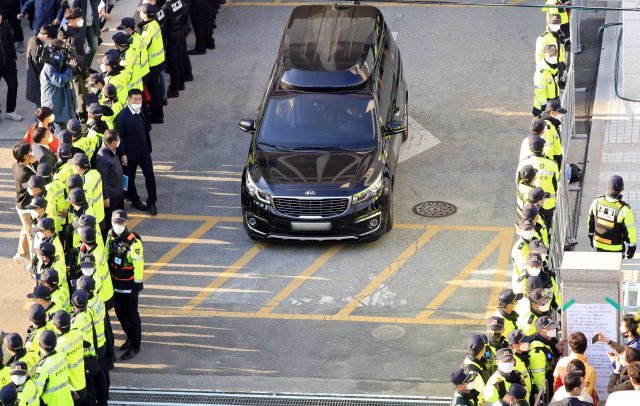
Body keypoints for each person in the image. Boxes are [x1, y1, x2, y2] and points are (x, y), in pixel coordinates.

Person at [106, 209, 144, 360]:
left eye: (121, 222)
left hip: (129, 286)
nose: (118, 225)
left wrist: (137, 284)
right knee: (120, 313)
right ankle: (129, 337)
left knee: (132, 315)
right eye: (115, 222)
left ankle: (136, 345)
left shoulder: (133, 241)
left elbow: (138, 264)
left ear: (126, 223)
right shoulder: (110, 236)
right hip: (115, 284)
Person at [115, 89, 158, 215]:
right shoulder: (122, 117)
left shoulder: (141, 111)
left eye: (140, 99)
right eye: (135, 99)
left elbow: (145, 130)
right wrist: (122, 154)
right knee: (130, 178)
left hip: (144, 152)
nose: (138, 102)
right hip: (130, 154)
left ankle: (152, 202)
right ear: (129, 100)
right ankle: (134, 200)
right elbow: (120, 138)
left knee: (149, 175)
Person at [70, 289, 104, 406]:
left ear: (73, 304)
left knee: (89, 391)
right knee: (94, 386)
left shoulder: (75, 324)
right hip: (93, 355)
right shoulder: (88, 313)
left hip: (86, 359)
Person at [587, 175, 636, 256]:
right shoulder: (624, 209)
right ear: (622, 189)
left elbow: (590, 222)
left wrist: (590, 236)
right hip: (616, 248)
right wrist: (632, 247)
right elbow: (630, 230)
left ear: (608, 187)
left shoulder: (596, 202)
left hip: (597, 245)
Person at [517, 135, 559, 227]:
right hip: (548, 204)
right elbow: (557, 183)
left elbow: (518, 181)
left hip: (528, 213)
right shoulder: (552, 164)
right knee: (546, 226)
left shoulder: (523, 164)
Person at [40, 38, 77, 129]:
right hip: (55, 107)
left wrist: (71, 67)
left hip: (61, 104)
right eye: (62, 51)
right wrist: (69, 69)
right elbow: (60, 81)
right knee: (60, 131)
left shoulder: (58, 64)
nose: (64, 54)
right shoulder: (49, 67)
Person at [138, 3, 165, 123]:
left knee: (154, 91)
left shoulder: (147, 30)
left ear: (145, 14)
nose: (139, 13)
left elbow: (141, 47)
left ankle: (158, 115)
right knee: (157, 89)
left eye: (141, 12)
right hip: (159, 61)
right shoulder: (154, 23)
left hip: (152, 64)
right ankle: (158, 110)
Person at [52, 310, 87, 403]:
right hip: (81, 378)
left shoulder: (58, 345)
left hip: (70, 386)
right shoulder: (78, 333)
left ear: (55, 327)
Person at [58, 7, 87, 117]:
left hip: (65, 67)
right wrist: (86, 74)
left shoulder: (62, 31)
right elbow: (81, 58)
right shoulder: (77, 37)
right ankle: (82, 117)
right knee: (81, 95)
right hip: (76, 70)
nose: (81, 21)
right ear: (71, 20)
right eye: (79, 19)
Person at [11, 142, 37, 266]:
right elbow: (38, 182)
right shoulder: (26, 173)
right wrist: (36, 163)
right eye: (30, 152)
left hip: (21, 204)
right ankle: (33, 262)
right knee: (31, 234)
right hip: (26, 207)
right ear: (27, 156)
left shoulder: (16, 166)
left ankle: (21, 254)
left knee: (25, 229)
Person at [32, 330, 74, 404]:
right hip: (68, 402)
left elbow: (37, 393)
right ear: (56, 343)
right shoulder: (62, 356)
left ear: (39, 344)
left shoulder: (42, 368)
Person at [96, 129, 124, 237]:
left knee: (120, 217)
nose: (119, 141)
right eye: (118, 140)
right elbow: (102, 179)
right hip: (111, 196)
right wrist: (105, 196)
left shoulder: (111, 151)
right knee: (110, 222)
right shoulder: (103, 157)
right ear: (112, 142)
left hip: (118, 192)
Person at [554, 332, 596, 398]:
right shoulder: (590, 370)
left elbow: (556, 384)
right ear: (586, 347)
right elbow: (587, 394)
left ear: (570, 347)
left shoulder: (561, 362)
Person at [528, 316, 561, 400]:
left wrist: (557, 352)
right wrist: (545, 395)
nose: (553, 330)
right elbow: (538, 376)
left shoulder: (548, 342)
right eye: (549, 328)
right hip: (545, 390)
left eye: (553, 327)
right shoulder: (537, 350)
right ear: (541, 330)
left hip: (550, 383)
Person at [25, 24, 56, 108]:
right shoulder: (36, 44)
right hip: (37, 82)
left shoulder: (33, 39)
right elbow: (38, 65)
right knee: (41, 110)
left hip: (35, 80)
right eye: (50, 39)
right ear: (46, 36)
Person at [0, 9, 21, 121]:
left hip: (8, 62)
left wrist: (14, 58)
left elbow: (11, 41)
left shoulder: (6, 25)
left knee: (13, 85)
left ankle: (10, 111)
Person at [535, 14, 567, 82]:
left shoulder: (561, 35)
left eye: (557, 23)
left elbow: (562, 53)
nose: (555, 25)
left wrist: (563, 68)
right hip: (549, 70)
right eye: (553, 23)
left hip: (559, 67)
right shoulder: (542, 39)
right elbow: (539, 58)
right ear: (548, 24)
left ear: (560, 24)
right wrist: (549, 71)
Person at [533, 44, 560, 117]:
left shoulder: (553, 67)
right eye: (550, 54)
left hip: (552, 103)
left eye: (555, 54)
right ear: (545, 55)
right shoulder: (541, 72)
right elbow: (540, 91)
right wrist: (544, 106)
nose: (553, 56)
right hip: (543, 108)